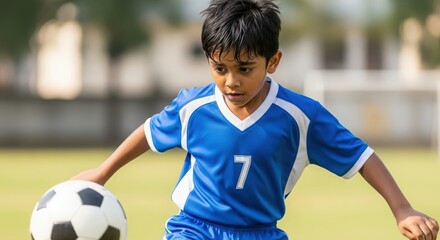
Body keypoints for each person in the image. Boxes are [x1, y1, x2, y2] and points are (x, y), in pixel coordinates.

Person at [72, 0, 439, 239]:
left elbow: (361, 157)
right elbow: (149, 134)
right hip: (193, 229)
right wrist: (102, 173)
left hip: (261, 232)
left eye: (245, 68)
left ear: (272, 62)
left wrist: (402, 209)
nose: (231, 81)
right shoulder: (193, 107)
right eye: (220, 68)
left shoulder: (300, 117)